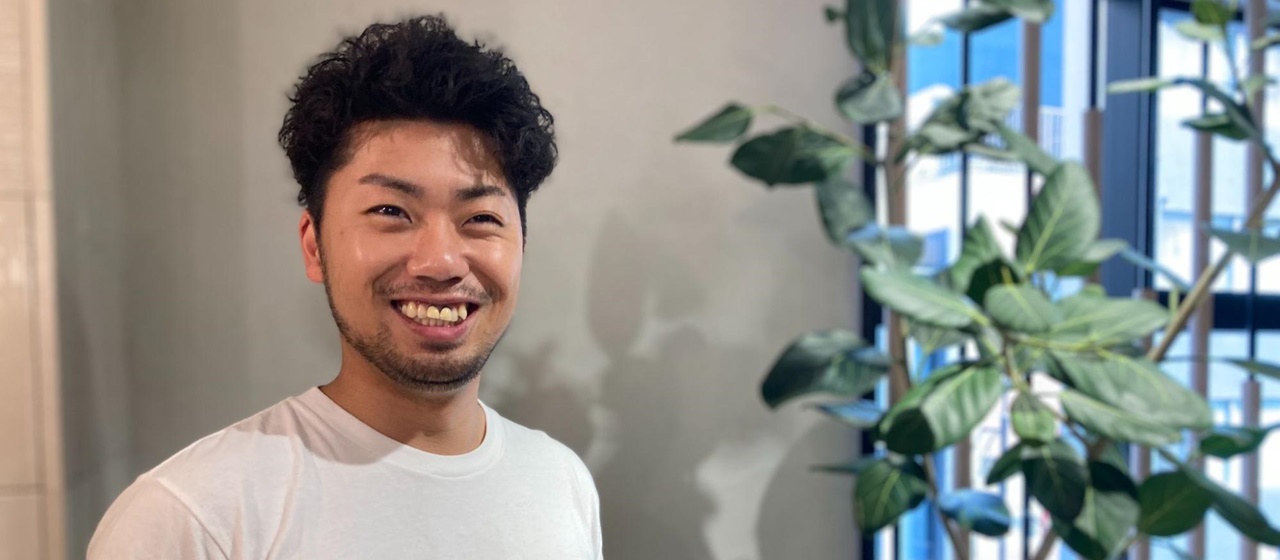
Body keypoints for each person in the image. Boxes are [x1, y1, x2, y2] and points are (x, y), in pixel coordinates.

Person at [88, 15, 601, 559]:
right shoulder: (193, 517)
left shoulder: (560, 481)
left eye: (480, 218)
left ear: (521, 246)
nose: (441, 262)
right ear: (314, 246)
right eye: (391, 211)